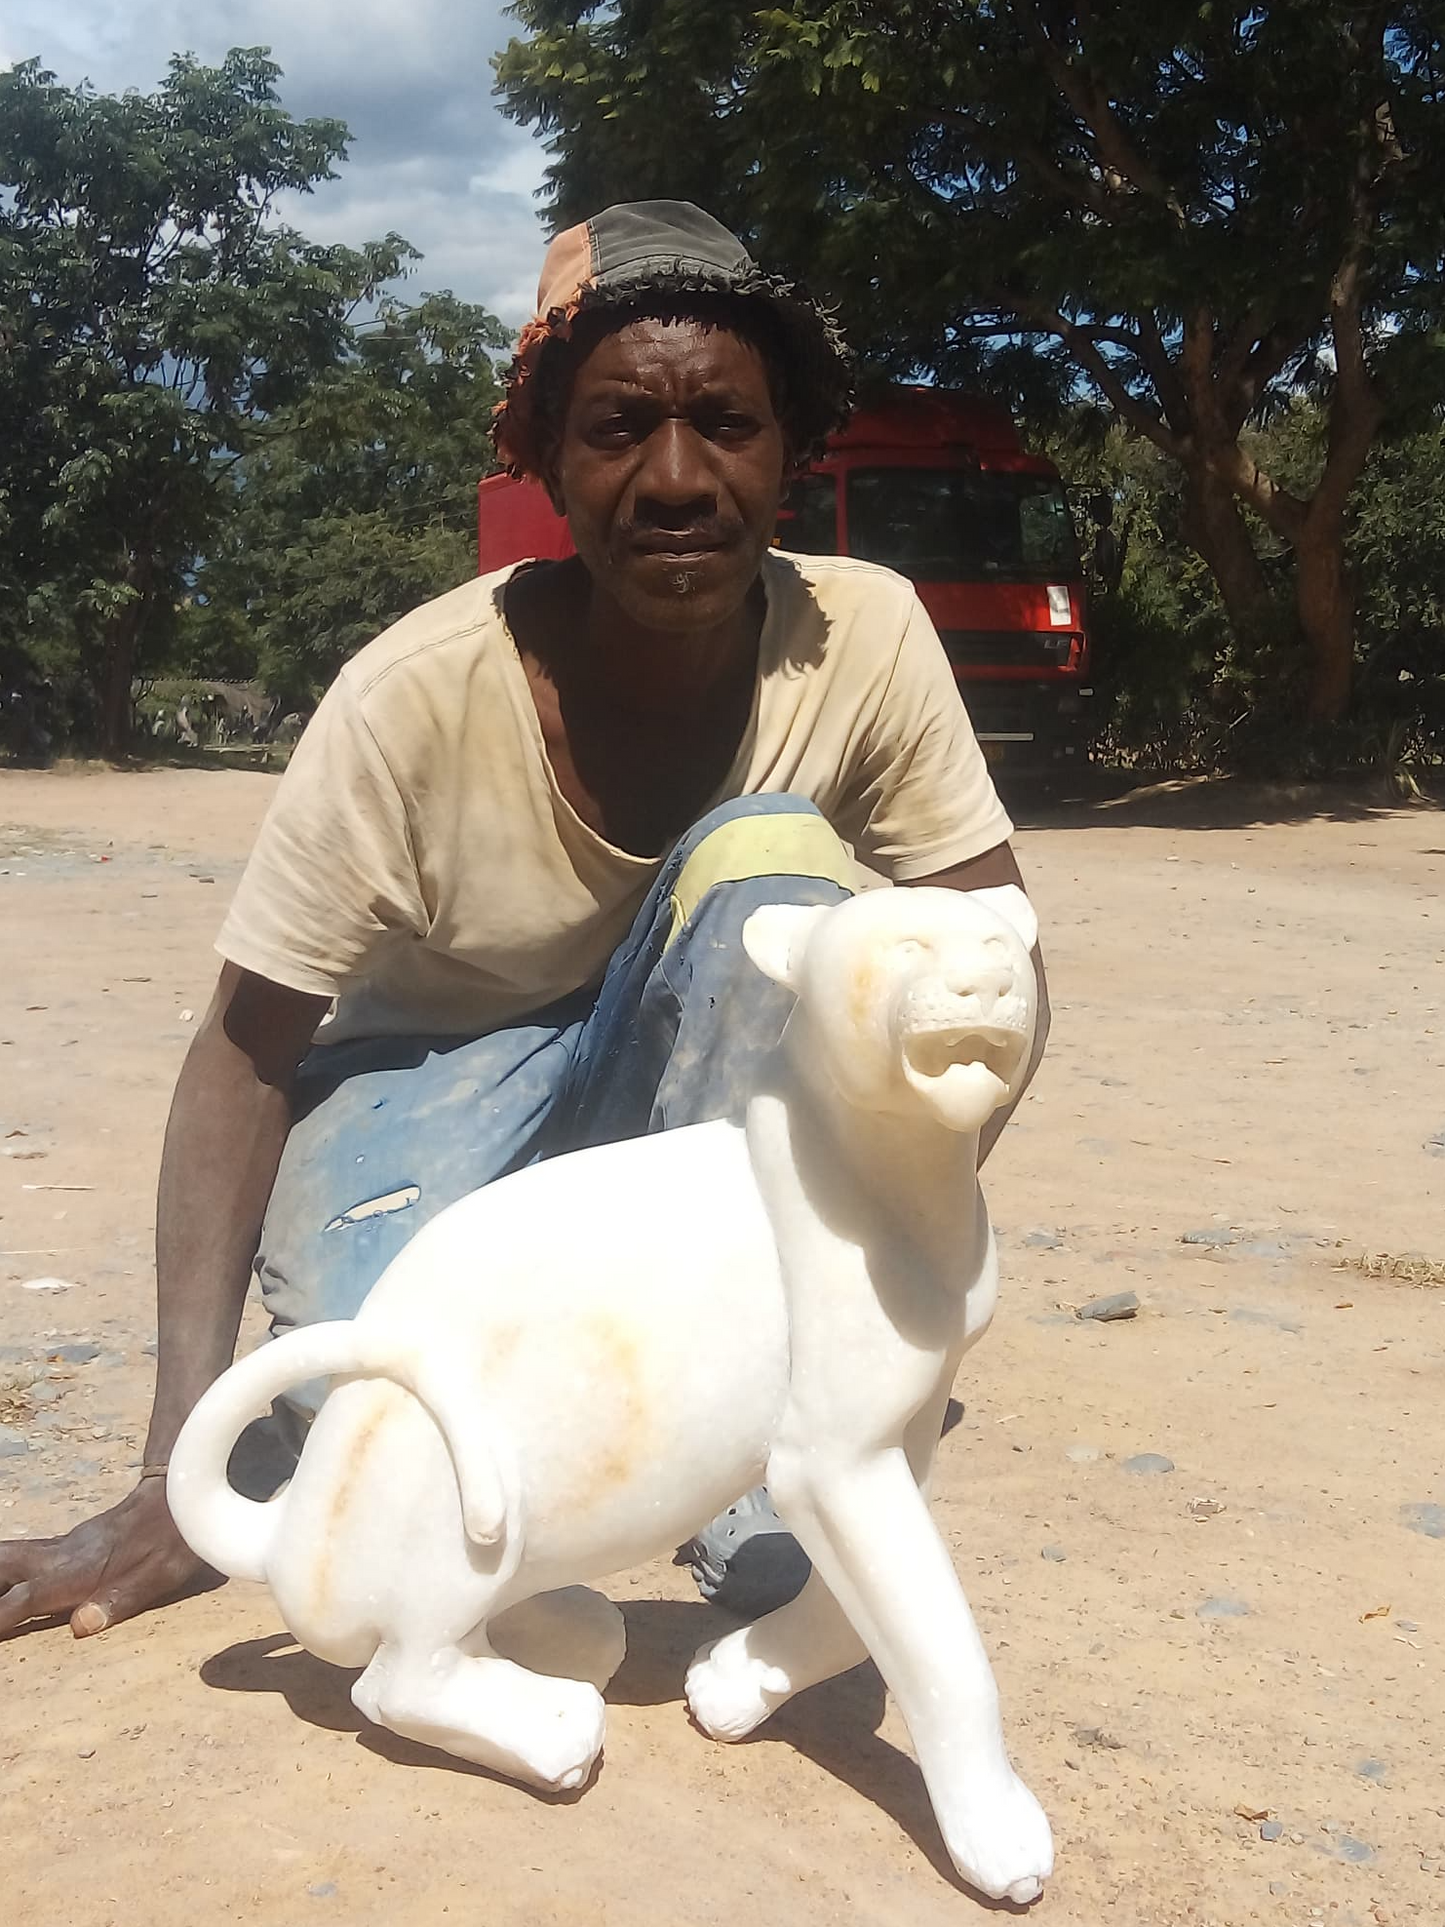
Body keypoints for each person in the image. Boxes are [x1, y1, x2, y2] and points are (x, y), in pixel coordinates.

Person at [0, 200, 1049, 1639]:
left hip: (695, 1107)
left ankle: (765, 1453)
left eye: (726, 425)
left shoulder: (863, 636)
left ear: (790, 454)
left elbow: (996, 964)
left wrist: (882, 1285)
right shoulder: (412, 696)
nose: (677, 478)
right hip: (434, 1082)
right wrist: (176, 1471)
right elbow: (245, 1052)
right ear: (547, 459)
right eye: (620, 427)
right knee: (381, 1406)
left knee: (775, 871)